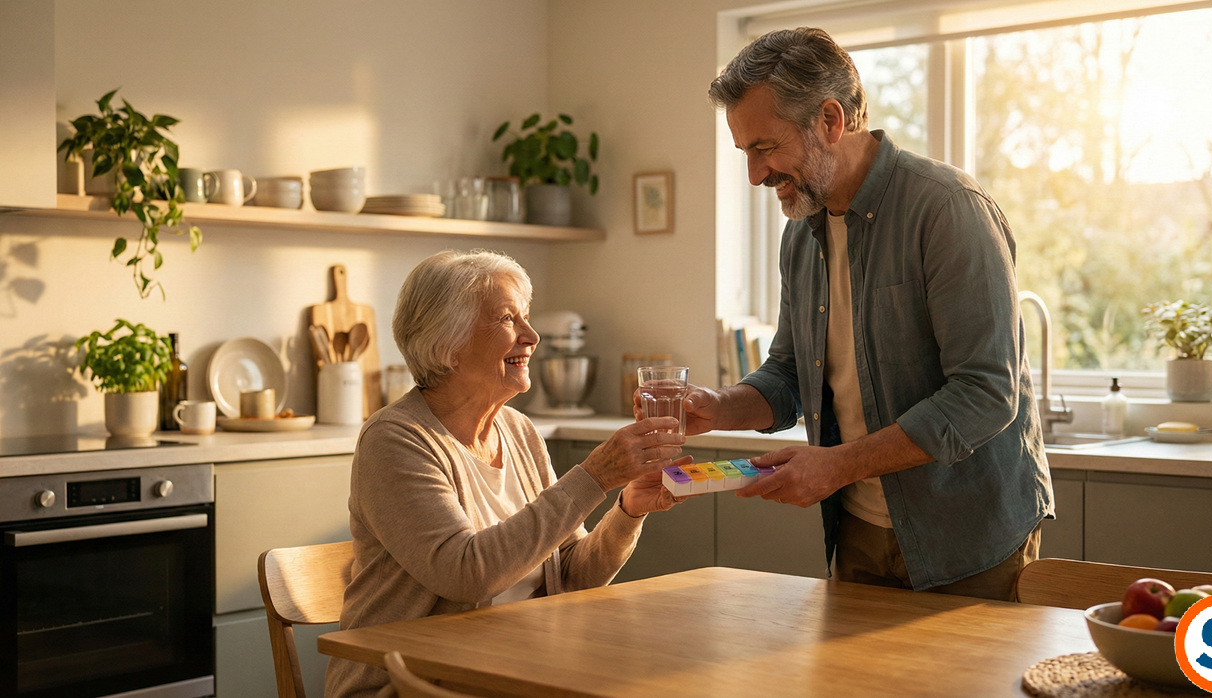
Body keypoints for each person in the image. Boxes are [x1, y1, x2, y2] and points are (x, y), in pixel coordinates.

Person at [693, 27, 1053, 600]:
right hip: (857, 532)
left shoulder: (947, 209)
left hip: (968, 536)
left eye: (764, 148)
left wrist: (837, 465)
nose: (755, 176)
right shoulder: (801, 235)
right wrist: (714, 409)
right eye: (745, 153)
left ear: (830, 121)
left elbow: (986, 393)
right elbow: (789, 376)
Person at [327, 249, 689, 698]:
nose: (532, 336)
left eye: (527, 318)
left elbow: (571, 575)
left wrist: (627, 509)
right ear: (449, 346)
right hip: (409, 684)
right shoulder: (395, 441)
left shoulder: (518, 431)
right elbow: (467, 572)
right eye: (507, 320)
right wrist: (593, 475)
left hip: (517, 670)